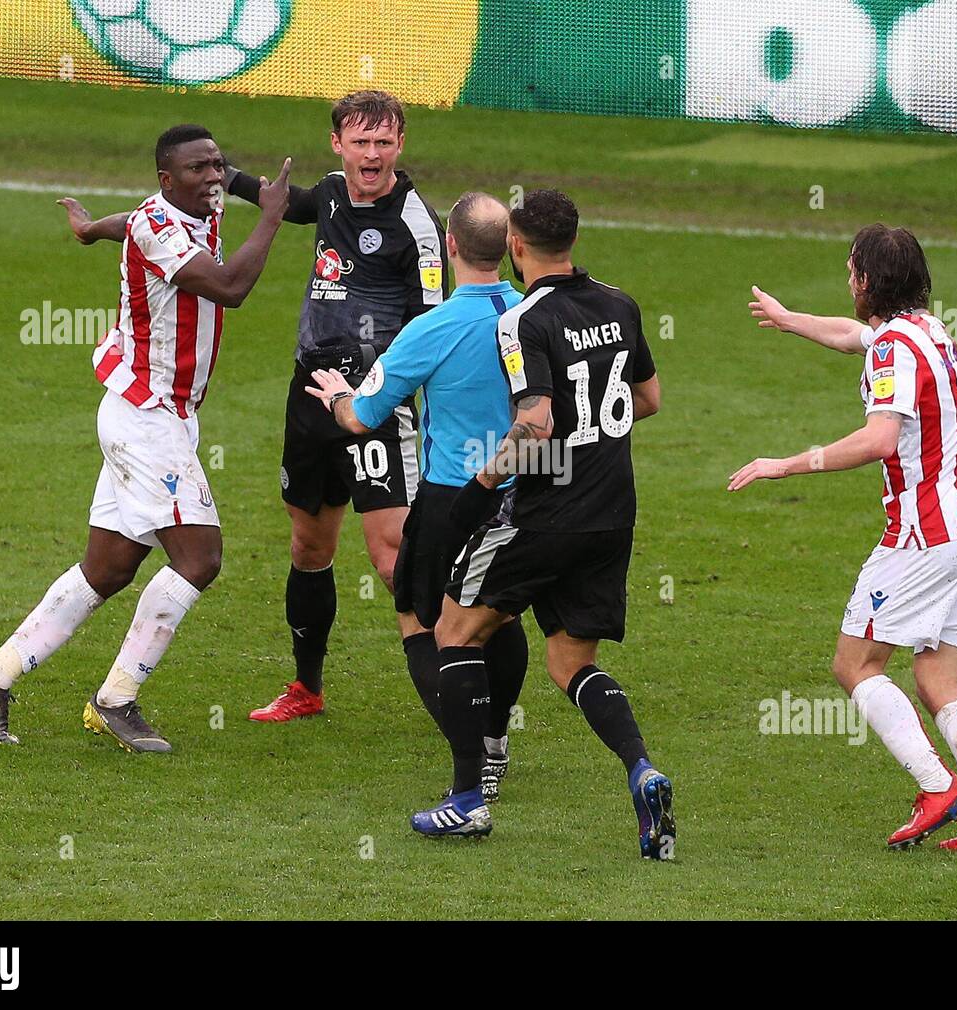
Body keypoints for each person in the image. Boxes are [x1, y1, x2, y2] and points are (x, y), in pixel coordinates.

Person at [61, 91, 446, 722]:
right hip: (310, 395)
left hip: (376, 402)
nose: (372, 155)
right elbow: (263, 197)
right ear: (338, 146)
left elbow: (433, 324)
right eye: (360, 142)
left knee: (390, 555)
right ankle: (308, 690)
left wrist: (381, 395)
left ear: (400, 146)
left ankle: (460, 705)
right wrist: (209, 171)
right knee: (308, 545)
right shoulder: (326, 193)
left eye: (384, 143)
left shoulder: (417, 223)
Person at [0, 125, 291, 753]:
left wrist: (90, 230)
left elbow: (126, 221)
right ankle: (116, 700)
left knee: (108, 568)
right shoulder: (163, 228)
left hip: (155, 413)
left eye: (218, 164)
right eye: (198, 169)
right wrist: (270, 219)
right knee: (201, 559)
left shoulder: (181, 213)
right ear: (168, 180)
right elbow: (230, 289)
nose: (214, 177)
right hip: (146, 418)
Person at [730, 224, 957, 855]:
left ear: (867, 279)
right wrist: (788, 320)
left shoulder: (894, 347)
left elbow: (879, 440)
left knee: (855, 663)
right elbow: (851, 334)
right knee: (941, 681)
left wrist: (786, 463)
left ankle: (937, 787)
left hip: (925, 537)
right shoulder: (927, 330)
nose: (847, 279)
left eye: (851, 269)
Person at [402, 190, 675, 858]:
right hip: (613, 516)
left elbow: (536, 423)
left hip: (545, 513)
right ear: (574, 240)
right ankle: (642, 769)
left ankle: (467, 801)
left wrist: (477, 491)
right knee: (570, 660)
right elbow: (648, 399)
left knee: (454, 631)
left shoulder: (521, 321)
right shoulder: (620, 304)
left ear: (517, 246)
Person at [305, 191, 528, 802]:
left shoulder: (431, 330)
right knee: (498, 614)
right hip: (528, 495)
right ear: (510, 247)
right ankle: (499, 738)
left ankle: (471, 758)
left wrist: (334, 397)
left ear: (451, 245)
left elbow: (363, 416)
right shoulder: (535, 314)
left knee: (419, 616)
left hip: (454, 498)